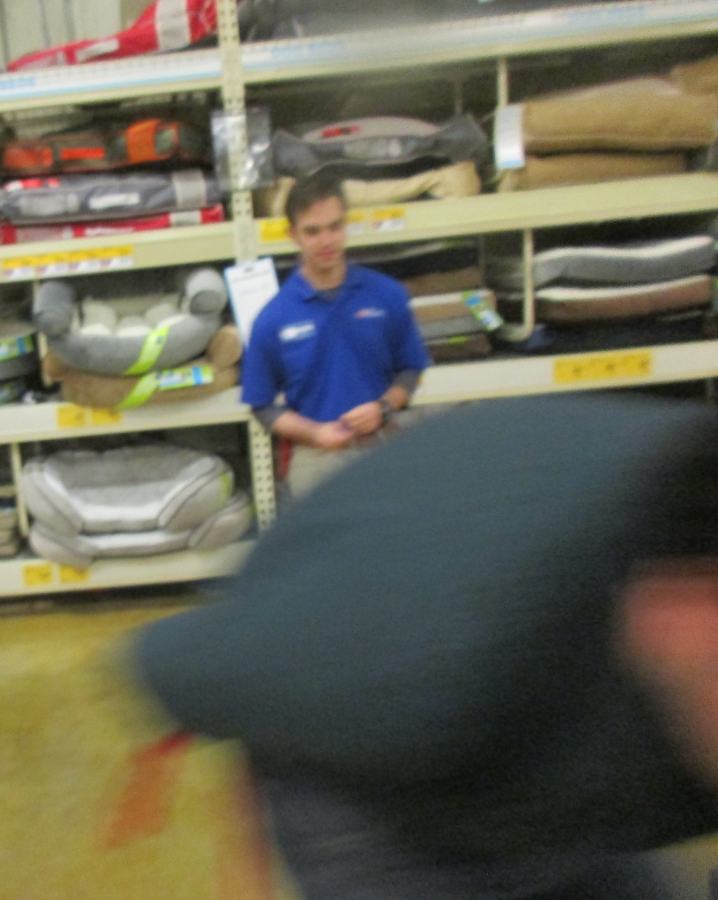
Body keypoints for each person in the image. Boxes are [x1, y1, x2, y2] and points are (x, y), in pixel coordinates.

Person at [134, 394, 718, 900]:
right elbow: (185, 663)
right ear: (671, 615)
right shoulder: (429, 668)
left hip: (556, 770)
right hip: (376, 795)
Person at [241, 171, 431, 496]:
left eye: (334, 227)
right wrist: (315, 433)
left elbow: (410, 370)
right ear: (293, 235)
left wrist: (383, 408)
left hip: (385, 449)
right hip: (317, 460)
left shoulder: (387, 294)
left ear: (346, 225)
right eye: (312, 231)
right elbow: (262, 406)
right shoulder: (273, 318)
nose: (326, 241)